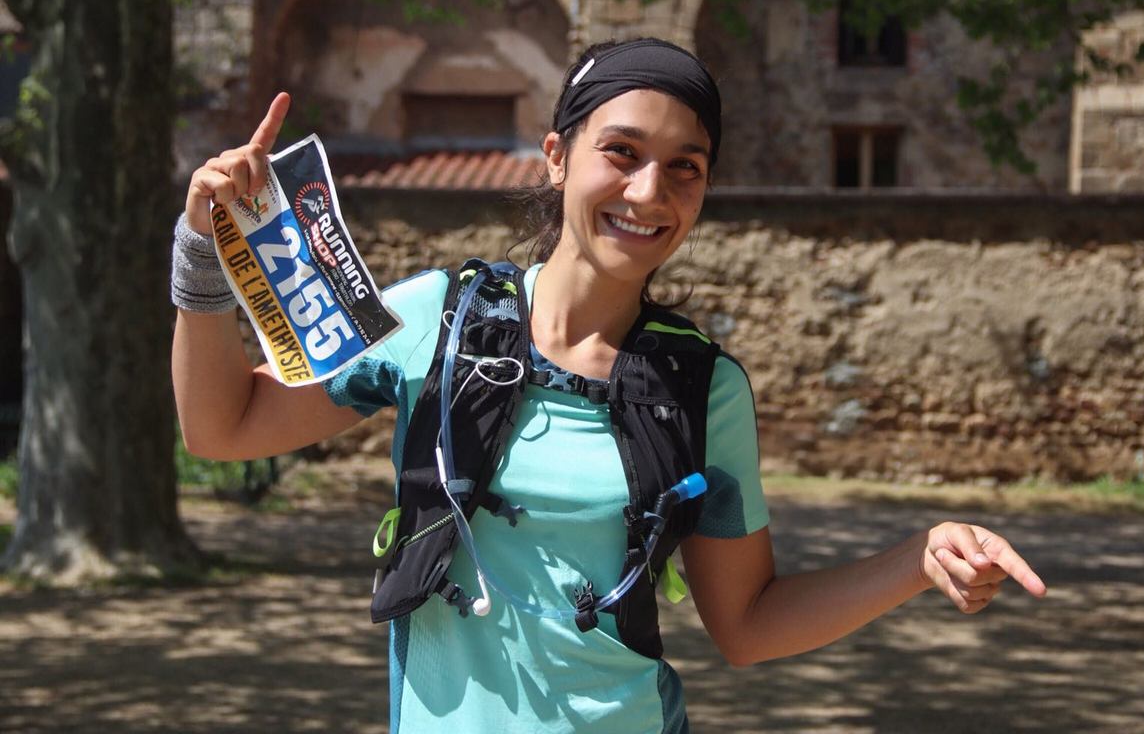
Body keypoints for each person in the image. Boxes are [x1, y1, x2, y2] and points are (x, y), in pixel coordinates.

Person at [171, 38, 1047, 733]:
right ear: (556, 156)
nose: (647, 190)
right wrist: (201, 257)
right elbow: (223, 427)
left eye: (684, 167)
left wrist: (914, 560)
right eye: (620, 152)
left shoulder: (701, 386)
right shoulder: (433, 321)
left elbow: (747, 625)